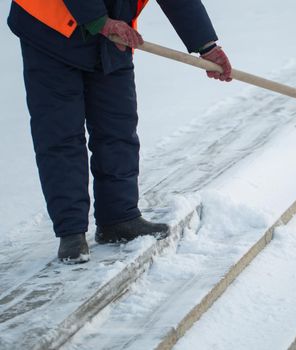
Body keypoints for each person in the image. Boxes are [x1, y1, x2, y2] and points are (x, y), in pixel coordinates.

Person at [7, 0, 232, 264]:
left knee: (118, 124)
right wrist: (99, 21)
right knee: (60, 133)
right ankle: (71, 232)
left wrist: (206, 46)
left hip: (112, 31)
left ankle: (118, 218)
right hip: (49, 30)